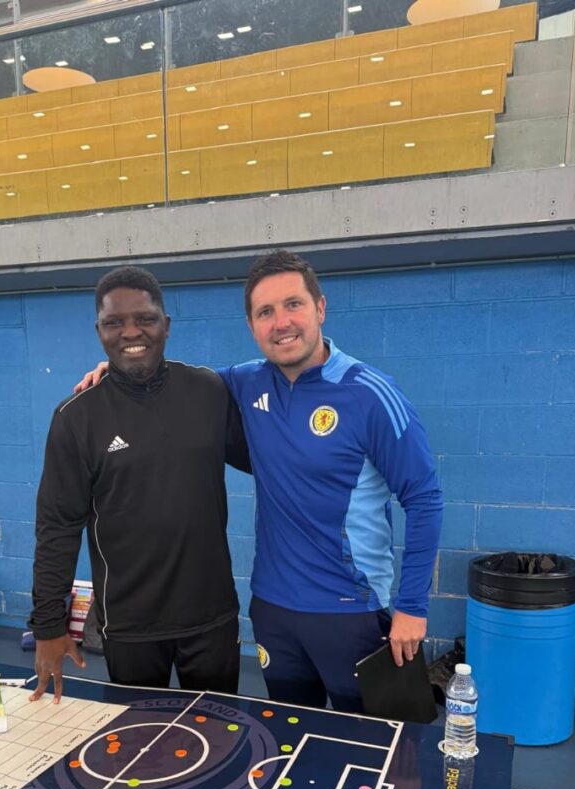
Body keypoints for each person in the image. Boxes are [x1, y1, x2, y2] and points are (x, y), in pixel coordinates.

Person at [75, 251, 443, 715]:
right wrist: (117, 371)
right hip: (273, 612)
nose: (281, 323)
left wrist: (412, 607)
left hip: (353, 611)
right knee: (292, 739)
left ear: (320, 308)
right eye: (265, 312)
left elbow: (424, 498)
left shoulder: (370, 394)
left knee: (379, 747)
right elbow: (172, 384)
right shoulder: (244, 383)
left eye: (293, 305)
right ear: (251, 326)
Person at [29, 265, 250, 789]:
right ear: (99, 332)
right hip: (129, 624)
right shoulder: (77, 417)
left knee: (219, 743)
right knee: (136, 754)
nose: (131, 332)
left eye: (144, 319)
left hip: (211, 614)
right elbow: (57, 527)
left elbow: (274, 449)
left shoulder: (209, 392)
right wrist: (48, 625)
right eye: (115, 323)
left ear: (166, 324)